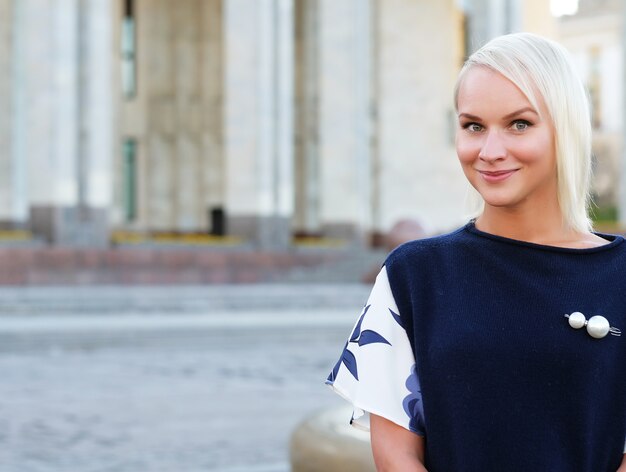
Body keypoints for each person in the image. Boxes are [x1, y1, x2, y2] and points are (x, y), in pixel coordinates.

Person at [326, 32, 626, 471]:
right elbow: (396, 455)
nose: (489, 151)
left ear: (567, 128)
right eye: (473, 126)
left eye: (519, 124)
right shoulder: (413, 276)